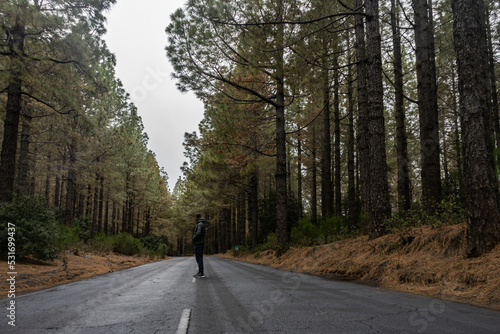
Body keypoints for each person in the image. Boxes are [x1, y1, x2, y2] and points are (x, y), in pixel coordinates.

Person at [192, 213, 206, 278]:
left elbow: (198, 233)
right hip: (199, 242)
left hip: (199, 243)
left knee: (199, 258)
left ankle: (201, 273)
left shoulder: (200, 224)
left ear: (196, 217)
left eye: (195, 217)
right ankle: (200, 272)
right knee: (199, 258)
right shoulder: (200, 224)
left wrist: (193, 238)